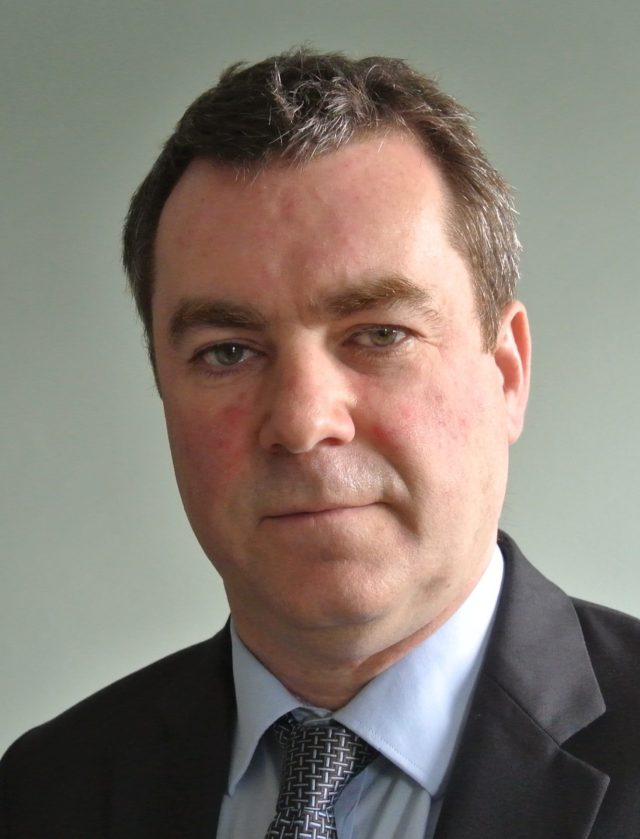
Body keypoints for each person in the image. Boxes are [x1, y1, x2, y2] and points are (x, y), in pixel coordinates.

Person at [1, 48, 639, 839]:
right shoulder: (45, 792)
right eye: (227, 351)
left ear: (506, 372)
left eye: (379, 333)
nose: (303, 422)